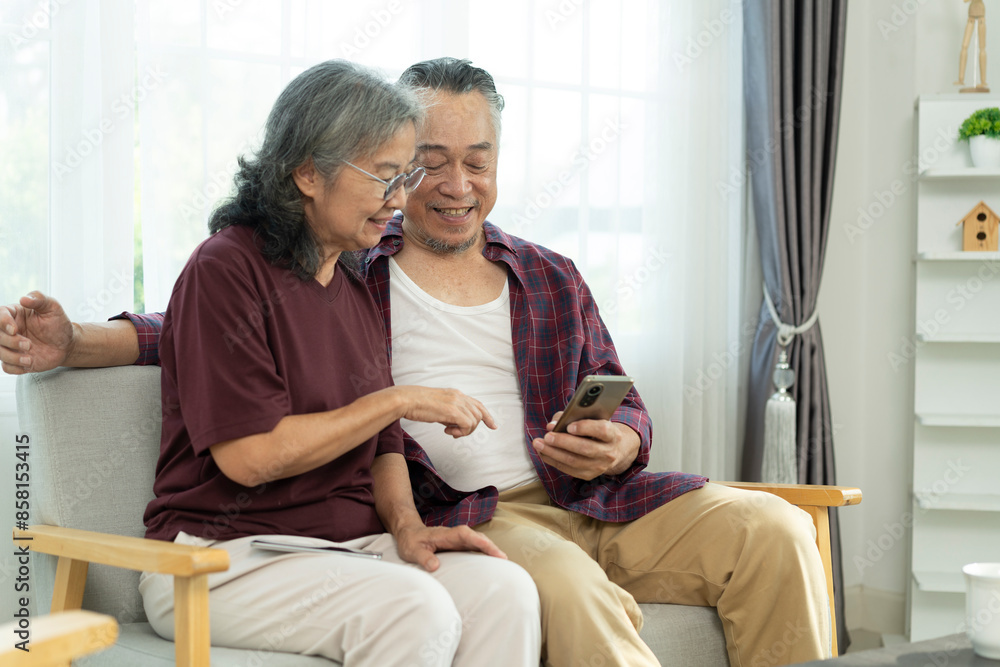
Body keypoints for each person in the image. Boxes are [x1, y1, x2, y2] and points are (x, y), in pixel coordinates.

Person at [2, 58, 831, 667]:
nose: (446, 184)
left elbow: (624, 398)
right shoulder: (354, 260)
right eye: (422, 162)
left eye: (477, 159)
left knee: (778, 528)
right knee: (547, 588)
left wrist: (621, 440)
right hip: (476, 507)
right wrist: (75, 341)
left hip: (593, 493)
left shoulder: (546, 274)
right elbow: (195, 328)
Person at [2, 60, 542, 667]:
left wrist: (407, 527)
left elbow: (385, 446)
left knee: (507, 593)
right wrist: (400, 397)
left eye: (403, 176)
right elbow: (252, 458)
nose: (399, 199)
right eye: (384, 178)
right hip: (221, 560)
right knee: (416, 607)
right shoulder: (225, 270)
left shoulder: (355, 284)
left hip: (347, 550)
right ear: (309, 173)